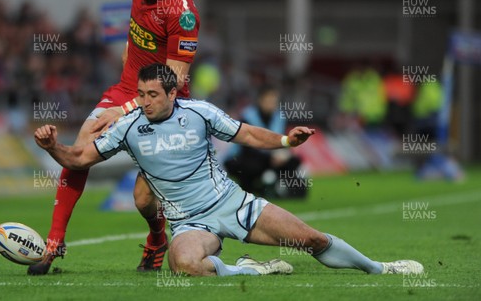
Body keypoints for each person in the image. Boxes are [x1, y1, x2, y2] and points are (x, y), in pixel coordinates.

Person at [33, 63, 424, 277]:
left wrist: (287, 141)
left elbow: (249, 135)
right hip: (189, 223)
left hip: (233, 204)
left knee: (311, 240)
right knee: (183, 263)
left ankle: (379, 267)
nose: (144, 101)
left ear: (172, 93)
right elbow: (79, 160)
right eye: (140, 94)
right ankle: (250, 270)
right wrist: (53, 147)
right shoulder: (128, 128)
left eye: (153, 94)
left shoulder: (200, 113)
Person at [28, 0, 200, 275]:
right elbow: (136, 29)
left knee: (142, 200)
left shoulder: (183, 14)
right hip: (126, 89)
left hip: (164, 105)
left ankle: (156, 239)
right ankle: (54, 242)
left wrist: (123, 111)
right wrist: (126, 63)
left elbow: (175, 81)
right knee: (80, 150)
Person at [224, 85, 307, 199]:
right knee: (252, 165)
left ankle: (278, 186)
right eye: (269, 100)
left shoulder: (279, 117)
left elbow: (283, 140)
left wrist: (282, 155)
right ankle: (254, 188)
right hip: (241, 158)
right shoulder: (247, 116)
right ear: (260, 100)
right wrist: (271, 156)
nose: (272, 104)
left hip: (268, 157)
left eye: (274, 101)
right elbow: (246, 147)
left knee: (294, 160)